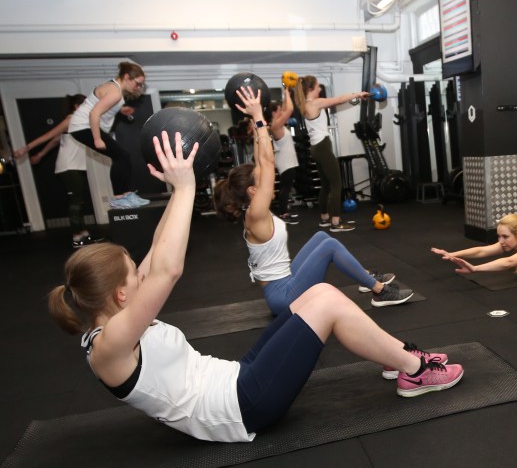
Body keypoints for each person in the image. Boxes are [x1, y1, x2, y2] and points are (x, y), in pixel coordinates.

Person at [48, 130, 464, 443]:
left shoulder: (116, 315)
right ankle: (415, 372)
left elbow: (158, 251)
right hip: (241, 407)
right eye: (133, 275)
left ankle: (398, 358)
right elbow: (167, 270)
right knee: (328, 304)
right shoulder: (111, 346)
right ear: (121, 295)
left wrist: (177, 188)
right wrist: (189, 189)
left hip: (235, 376)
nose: (141, 274)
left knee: (319, 295)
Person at [214, 87, 414, 314]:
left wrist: (254, 118)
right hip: (283, 296)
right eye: (261, 178)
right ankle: (379, 291)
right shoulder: (256, 214)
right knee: (329, 246)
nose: (268, 177)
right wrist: (259, 116)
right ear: (252, 190)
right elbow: (268, 162)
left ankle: (364, 276)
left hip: (285, 281)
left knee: (321, 237)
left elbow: (262, 160)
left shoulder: (253, 209)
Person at [14, 94, 104, 248]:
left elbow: (56, 139)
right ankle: (77, 237)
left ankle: (84, 234)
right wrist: (26, 149)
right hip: (69, 166)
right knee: (76, 201)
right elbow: (48, 135)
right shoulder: (71, 119)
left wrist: (41, 155)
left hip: (76, 166)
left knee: (79, 200)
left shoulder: (79, 121)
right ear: (77, 106)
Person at [67, 61, 148, 209]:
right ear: (127, 77)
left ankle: (125, 194)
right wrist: (97, 138)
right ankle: (119, 197)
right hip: (83, 126)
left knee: (122, 157)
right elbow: (94, 113)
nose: (138, 87)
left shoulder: (113, 88)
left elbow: (99, 105)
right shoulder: (115, 92)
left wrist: (121, 110)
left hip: (82, 126)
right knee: (122, 156)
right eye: (137, 84)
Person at [294, 74, 368, 232]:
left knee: (326, 184)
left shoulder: (304, 104)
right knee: (336, 184)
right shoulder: (314, 103)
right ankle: (336, 222)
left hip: (316, 147)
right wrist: (358, 94)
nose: (320, 89)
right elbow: (339, 99)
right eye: (318, 86)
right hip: (322, 146)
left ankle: (325, 218)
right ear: (311, 88)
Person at [268, 88, 299, 224]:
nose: (282, 111)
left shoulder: (278, 123)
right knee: (285, 189)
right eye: (279, 110)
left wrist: (287, 92)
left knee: (286, 187)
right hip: (285, 163)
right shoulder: (276, 125)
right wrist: (287, 93)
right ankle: (283, 214)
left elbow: (286, 108)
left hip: (288, 161)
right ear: (274, 112)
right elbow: (290, 109)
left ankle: (284, 211)